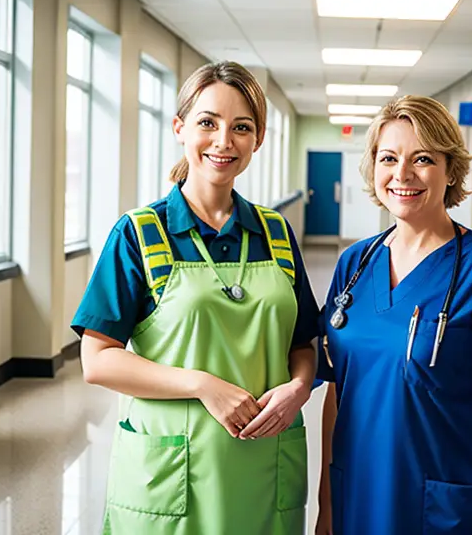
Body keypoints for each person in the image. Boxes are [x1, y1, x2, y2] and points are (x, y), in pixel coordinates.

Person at [71, 61, 318, 534]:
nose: (224, 141)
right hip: (174, 475)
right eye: (208, 122)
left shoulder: (277, 234)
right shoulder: (140, 234)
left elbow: (302, 343)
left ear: (257, 139)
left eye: (241, 128)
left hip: (266, 465)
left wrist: (299, 388)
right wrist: (203, 384)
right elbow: (98, 360)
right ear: (181, 129)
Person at [315, 95, 472, 535]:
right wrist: (327, 511)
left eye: (422, 159)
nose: (402, 174)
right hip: (358, 494)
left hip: (447, 505)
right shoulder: (354, 265)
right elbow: (337, 394)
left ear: (450, 169)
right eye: (389, 158)